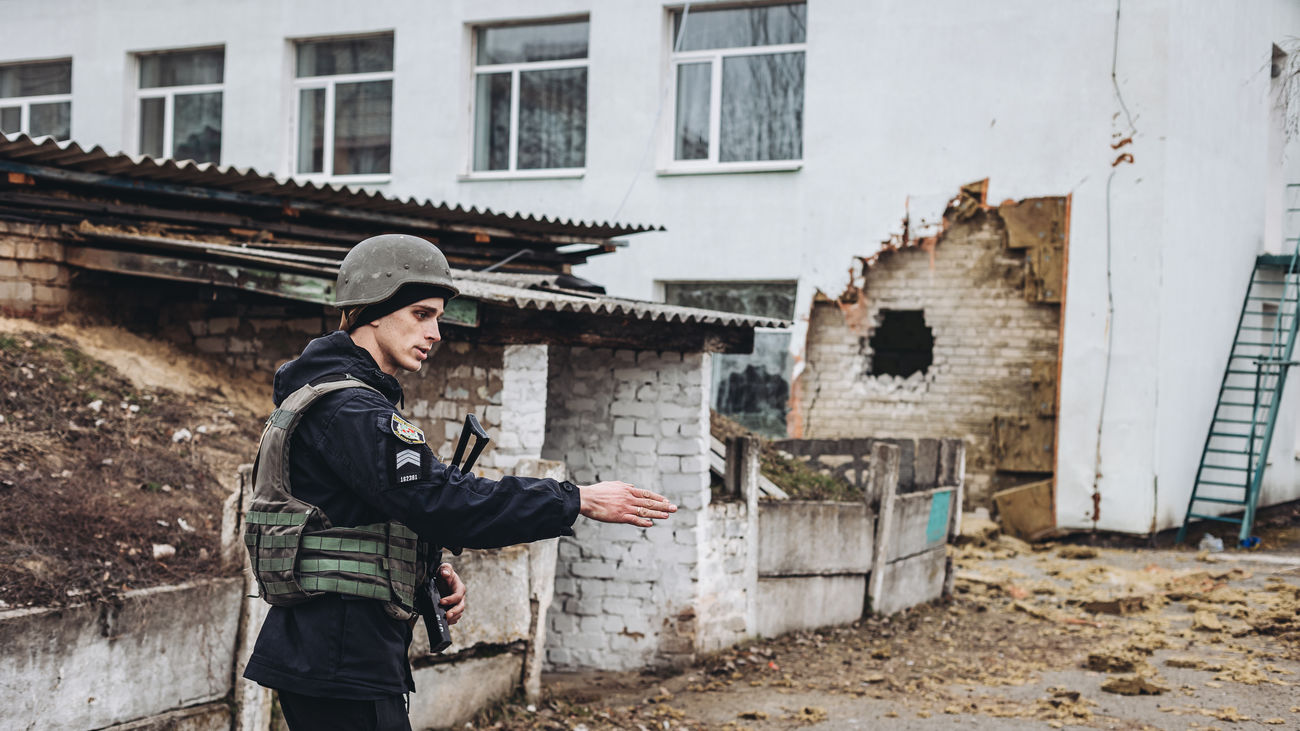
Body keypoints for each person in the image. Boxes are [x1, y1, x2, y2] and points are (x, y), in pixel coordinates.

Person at [242, 234, 676, 731]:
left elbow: (367, 512)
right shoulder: (351, 407)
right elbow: (442, 501)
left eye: (438, 317)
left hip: (336, 650)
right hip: (340, 654)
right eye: (422, 314)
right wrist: (576, 500)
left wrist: (422, 564)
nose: (436, 333)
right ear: (372, 311)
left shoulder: (341, 398)